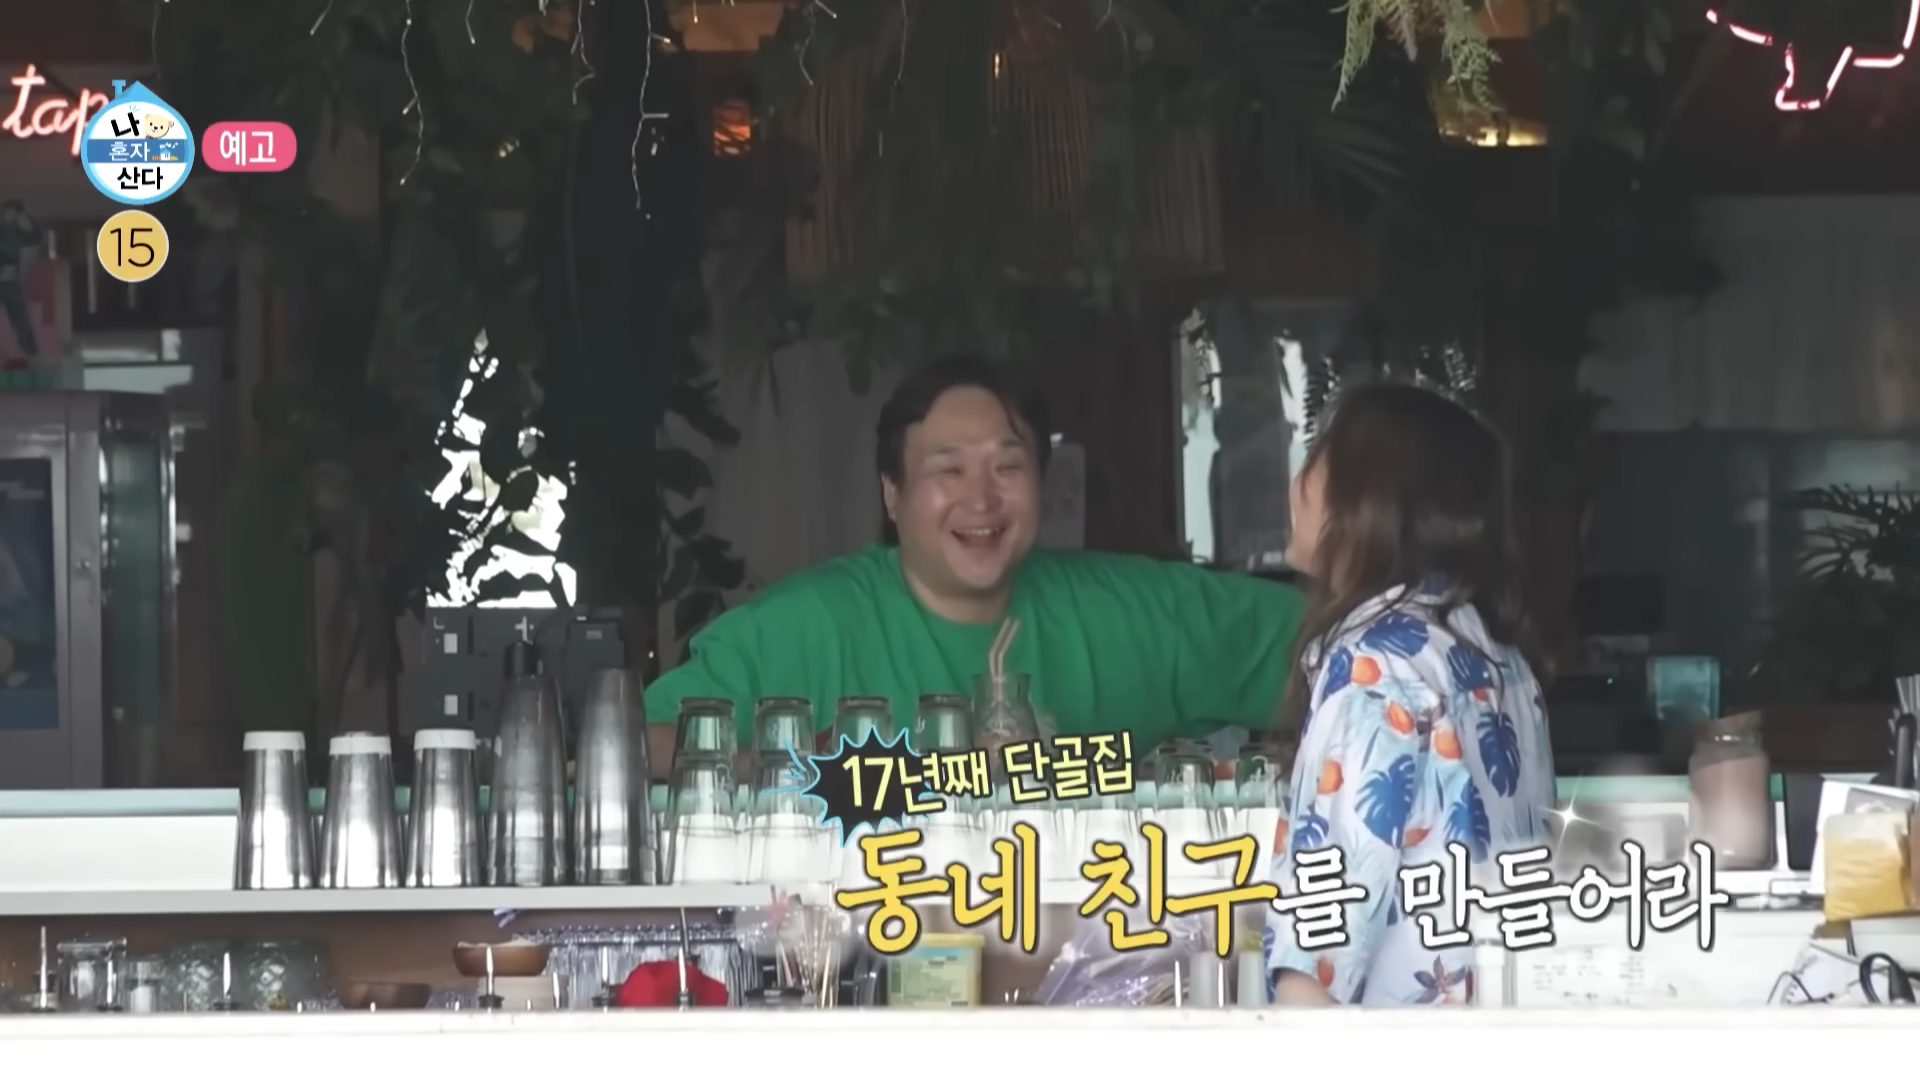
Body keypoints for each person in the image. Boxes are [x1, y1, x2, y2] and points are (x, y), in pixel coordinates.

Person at [643, 353, 1307, 768]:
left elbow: (1338, 643)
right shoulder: (808, 627)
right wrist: (803, 764)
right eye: (949, 470)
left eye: (1007, 467)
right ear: (893, 493)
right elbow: (640, 744)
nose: (982, 499)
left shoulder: (1138, 614)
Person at [1264, 382, 1554, 1007]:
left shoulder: (1371, 670)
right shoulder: (1495, 656)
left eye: (1317, 456)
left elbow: (1317, 962)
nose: (1297, 482)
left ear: (1365, 498)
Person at [0, 200, 43, 358]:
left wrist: (27, 217)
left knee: (20, 319)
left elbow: (35, 237)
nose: (11, 216)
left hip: (10, 281)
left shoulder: (15, 230)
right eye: (9, 212)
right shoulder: (7, 230)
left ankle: (30, 351)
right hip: (7, 277)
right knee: (20, 318)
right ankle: (30, 350)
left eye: (14, 213)